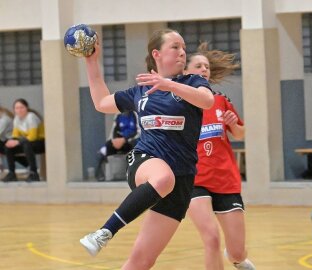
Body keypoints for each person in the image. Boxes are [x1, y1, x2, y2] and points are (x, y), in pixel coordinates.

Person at [79, 29, 214, 270]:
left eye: (184, 47)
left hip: (182, 180)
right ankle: (104, 233)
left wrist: (169, 85)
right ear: (157, 53)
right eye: (175, 46)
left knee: (142, 261)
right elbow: (101, 103)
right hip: (145, 161)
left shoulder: (193, 82)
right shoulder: (140, 91)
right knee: (163, 177)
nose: (182, 52)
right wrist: (91, 61)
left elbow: (206, 101)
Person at [184, 43, 255, 270]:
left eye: (206, 66)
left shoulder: (221, 100)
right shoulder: (178, 104)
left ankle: (236, 257)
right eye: (198, 66)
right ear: (185, 72)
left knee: (237, 252)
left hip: (225, 180)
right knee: (211, 238)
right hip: (194, 181)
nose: (204, 69)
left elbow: (240, 134)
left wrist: (234, 124)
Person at [2, 99, 45, 182]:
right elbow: (15, 136)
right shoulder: (16, 119)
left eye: (22, 107)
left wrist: (17, 142)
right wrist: (11, 142)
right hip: (27, 143)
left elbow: (33, 137)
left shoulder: (31, 117)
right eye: (17, 108)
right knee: (8, 146)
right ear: (14, 110)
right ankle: (12, 173)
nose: (19, 110)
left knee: (25, 143)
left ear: (26, 108)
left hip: (40, 143)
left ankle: (34, 173)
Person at [95, 111, 140, 181]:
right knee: (103, 151)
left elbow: (139, 132)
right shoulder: (118, 116)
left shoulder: (135, 114)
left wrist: (125, 139)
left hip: (132, 141)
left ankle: (134, 176)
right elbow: (113, 132)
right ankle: (102, 176)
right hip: (120, 141)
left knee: (135, 148)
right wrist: (114, 141)